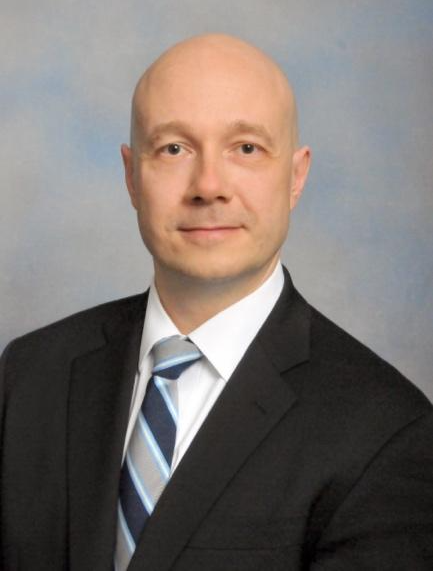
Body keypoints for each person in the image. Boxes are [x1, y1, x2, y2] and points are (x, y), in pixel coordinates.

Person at [1, 34, 432, 571]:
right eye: (173, 149)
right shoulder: (27, 375)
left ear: (296, 176)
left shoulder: (387, 431)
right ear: (131, 175)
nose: (208, 186)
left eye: (246, 148)